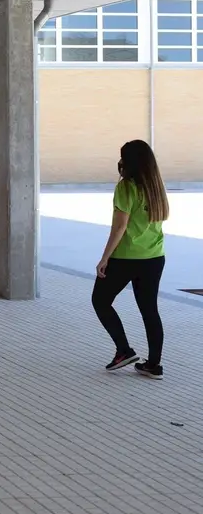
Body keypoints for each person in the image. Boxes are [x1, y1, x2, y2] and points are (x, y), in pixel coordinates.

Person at [92, 139, 169, 379]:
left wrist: (104, 258)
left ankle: (124, 350)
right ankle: (154, 365)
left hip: (126, 257)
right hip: (154, 257)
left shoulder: (126, 187)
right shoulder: (156, 186)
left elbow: (119, 227)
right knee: (149, 310)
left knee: (100, 300)